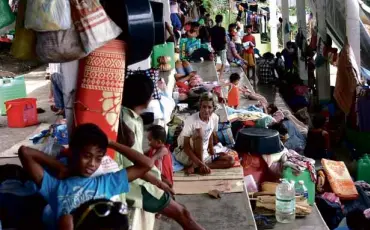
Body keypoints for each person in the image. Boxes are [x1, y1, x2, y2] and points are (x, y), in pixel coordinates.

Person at [18, 123, 155, 229]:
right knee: (66, 220)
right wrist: (59, 166)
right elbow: (25, 152)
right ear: (73, 152)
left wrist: (112, 143)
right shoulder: (55, 186)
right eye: (87, 156)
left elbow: (147, 164)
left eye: (98, 158)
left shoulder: (105, 183)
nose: (92, 164)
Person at [117, 73, 205, 230]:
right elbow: (135, 165)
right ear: (147, 98)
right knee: (183, 214)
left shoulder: (130, 117)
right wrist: (158, 182)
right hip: (134, 186)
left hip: (140, 179)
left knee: (182, 211)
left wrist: (160, 178)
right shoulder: (128, 123)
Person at [174, 92, 235, 175]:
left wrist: (212, 152)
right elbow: (186, 147)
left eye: (209, 107)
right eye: (204, 107)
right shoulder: (191, 120)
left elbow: (210, 136)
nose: (206, 110)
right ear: (200, 107)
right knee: (199, 132)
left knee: (230, 161)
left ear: (214, 108)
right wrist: (200, 162)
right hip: (186, 155)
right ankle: (200, 165)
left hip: (203, 154)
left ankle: (198, 167)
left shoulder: (214, 118)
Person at [210, 14, 227, 80]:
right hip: (222, 47)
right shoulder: (223, 29)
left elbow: (210, 39)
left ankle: (214, 74)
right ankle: (219, 77)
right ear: (221, 20)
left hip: (214, 47)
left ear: (215, 20)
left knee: (215, 61)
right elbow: (225, 40)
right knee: (223, 63)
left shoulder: (212, 29)